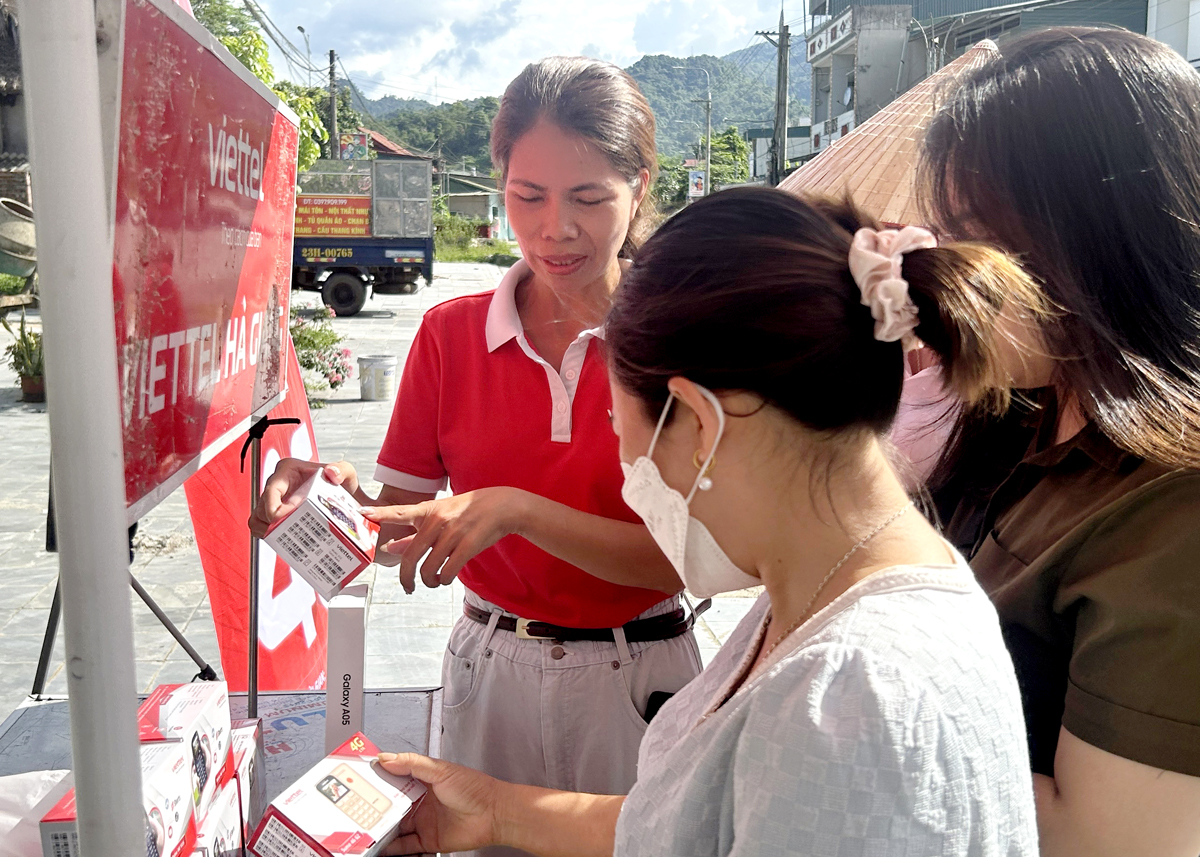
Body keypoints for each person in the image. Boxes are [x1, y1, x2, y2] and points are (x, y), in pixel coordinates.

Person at [373, 187, 1039, 856]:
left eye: (617, 427)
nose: (628, 465)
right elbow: (707, 819)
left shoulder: (849, 695)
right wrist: (496, 810)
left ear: (696, 421)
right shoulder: (836, 586)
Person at [249, 56, 702, 840]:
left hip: (642, 681)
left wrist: (517, 511)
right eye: (527, 196)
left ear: (641, 186)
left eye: (589, 198)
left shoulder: (679, 337)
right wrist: (333, 504)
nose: (555, 228)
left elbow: (684, 558)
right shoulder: (449, 335)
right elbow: (399, 533)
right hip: (490, 678)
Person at [916, 28, 1200, 856]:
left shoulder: (1172, 502)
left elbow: (1112, 838)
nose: (948, 278)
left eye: (979, 239)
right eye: (942, 238)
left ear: (1105, 233)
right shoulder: (1017, 416)